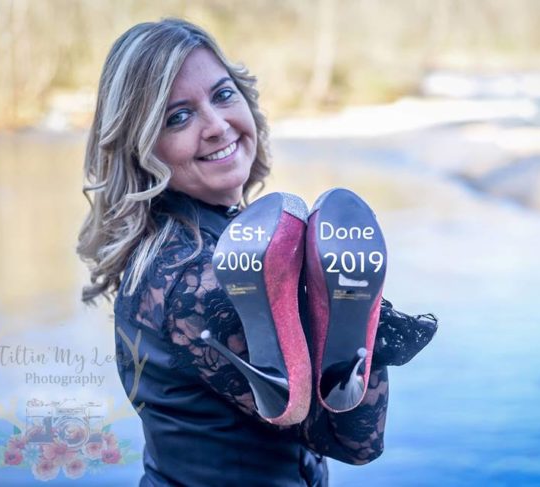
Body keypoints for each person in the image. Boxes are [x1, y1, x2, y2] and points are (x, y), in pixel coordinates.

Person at [77, 18, 437, 487]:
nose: (216, 125)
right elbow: (354, 443)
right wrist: (360, 333)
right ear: (141, 145)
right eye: (178, 117)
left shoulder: (171, 248)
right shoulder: (205, 280)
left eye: (223, 95)